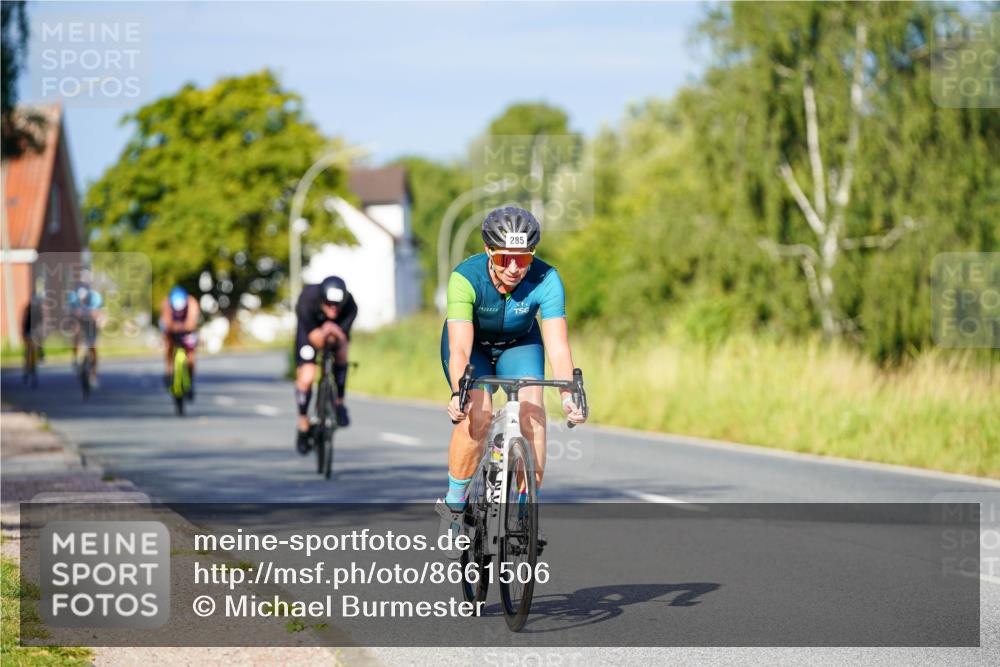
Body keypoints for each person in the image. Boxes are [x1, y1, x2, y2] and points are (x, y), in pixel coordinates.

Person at [436, 206, 587, 557]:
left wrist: (568, 394)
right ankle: (455, 505)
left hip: (520, 344)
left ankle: (523, 511)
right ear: (489, 251)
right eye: (505, 258)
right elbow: (459, 348)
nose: (515, 268)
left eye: (524, 258)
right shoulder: (465, 277)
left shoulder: (547, 279)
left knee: (533, 412)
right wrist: (460, 392)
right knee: (479, 411)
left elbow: (558, 346)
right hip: (473, 347)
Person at [293, 275, 358, 454]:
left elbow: (343, 334)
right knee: (307, 375)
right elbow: (313, 336)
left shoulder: (351, 306)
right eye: (329, 304)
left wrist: (335, 331)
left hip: (335, 331)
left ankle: (339, 402)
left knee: (342, 351)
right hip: (310, 330)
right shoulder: (307, 299)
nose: (333, 309)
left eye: (337, 305)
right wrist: (322, 332)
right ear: (322, 300)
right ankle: (303, 422)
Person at [159, 286, 200, 399]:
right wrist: (171, 329)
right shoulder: (166, 304)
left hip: (187, 331)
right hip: (172, 331)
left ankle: (190, 382)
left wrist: (186, 327)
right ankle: (169, 372)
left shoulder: (192, 303)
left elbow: (192, 322)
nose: (179, 311)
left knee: (191, 356)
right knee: (168, 346)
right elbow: (166, 322)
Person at [67, 282, 103, 387]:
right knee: (75, 333)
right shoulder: (73, 298)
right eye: (81, 300)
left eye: (84, 300)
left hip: (91, 323)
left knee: (93, 347)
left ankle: (94, 374)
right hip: (79, 321)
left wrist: (99, 322)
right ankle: (75, 358)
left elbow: (99, 315)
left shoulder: (95, 298)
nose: (83, 302)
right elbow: (72, 316)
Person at [21, 295, 45, 387]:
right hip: (27, 331)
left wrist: (40, 333)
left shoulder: (39, 311)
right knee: (28, 351)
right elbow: (23, 323)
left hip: (35, 332)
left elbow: (41, 324)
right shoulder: (27, 310)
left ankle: (40, 353)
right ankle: (25, 370)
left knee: (38, 342)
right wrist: (24, 334)